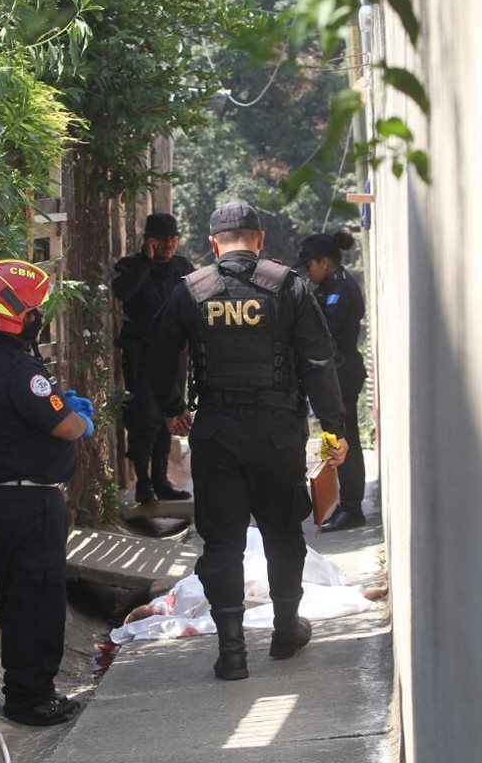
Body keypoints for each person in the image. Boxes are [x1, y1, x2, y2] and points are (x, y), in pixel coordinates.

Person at [148, 200, 349, 681]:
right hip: (278, 433)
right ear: (260, 240)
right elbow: (319, 360)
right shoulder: (290, 285)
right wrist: (334, 430)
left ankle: (232, 650)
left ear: (213, 244)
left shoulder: (190, 290)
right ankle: (284, 631)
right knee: (283, 534)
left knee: (222, 542)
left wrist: (174, 407)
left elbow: (154, 357)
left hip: (217, 434)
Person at [0, 259, 95, 726]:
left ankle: (25, 690)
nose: (39, 316)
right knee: (38, 598)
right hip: (30, 502)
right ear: (15, 310)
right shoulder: (18, 368)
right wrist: (80, 419)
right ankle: (32, 697)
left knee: (18, 596)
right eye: (34, 309)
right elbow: (65, 425)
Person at [113, 212, 196, 504]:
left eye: (174, 239)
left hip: (176, 356)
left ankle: (161, 481)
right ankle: (143, 484)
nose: (169, 245)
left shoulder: (183, 268)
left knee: (168, 417)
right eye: (163, 240)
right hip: (142, 355)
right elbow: (123, 292)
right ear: (150, 241)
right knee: (143, 418)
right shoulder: (131, 267)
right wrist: (146, 263)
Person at [293, 230, 369, 531]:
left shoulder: (340, 289)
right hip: (333, 375)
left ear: (324, 262)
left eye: (309, 266)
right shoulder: (328, 288)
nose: (308, 274)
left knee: (344, 440)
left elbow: (325, 333)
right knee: (334, 439)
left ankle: (352, 507)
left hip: (343, 373)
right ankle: (340, 502)